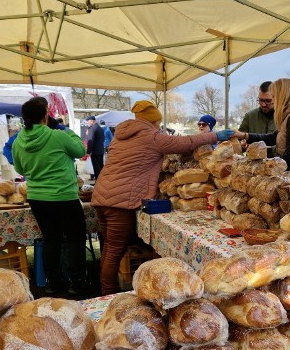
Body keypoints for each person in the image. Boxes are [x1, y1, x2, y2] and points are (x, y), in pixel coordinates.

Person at [92, 101, 234, 295]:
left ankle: (106, 287)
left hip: (102, 193)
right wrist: (215, 135)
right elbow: (185, 143)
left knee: (109, 246)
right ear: (153, 121)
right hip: (120, 199)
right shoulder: (151, 136)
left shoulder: (121, 135)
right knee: (115, 249)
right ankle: (108, 294)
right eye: (158, 122)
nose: (159, 126)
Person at [12, 98, 88, 296]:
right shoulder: (57, 136)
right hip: (63, 195)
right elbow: (80, 150)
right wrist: (66, 130)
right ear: (46, 115)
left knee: (51, 239)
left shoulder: (18, 140)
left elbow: (20, 169)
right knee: (74, 239)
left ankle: (53, 283)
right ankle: (76, 282)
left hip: (37, 198)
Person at [231, 78, 290, 172]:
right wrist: (244, 135)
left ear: (282, 96)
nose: (273, 101)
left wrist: (262, 166)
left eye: (274, 97)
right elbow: (272, 138)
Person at [86, 115, 105, 180]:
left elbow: (90, 141)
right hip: (101, 150)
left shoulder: (92, 128)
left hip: (95, 151)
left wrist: (88, 151)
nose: (87, 123)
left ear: (91, 121)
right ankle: (102, 181)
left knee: (96, 168)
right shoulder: (100, 128)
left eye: (88, 121)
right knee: (101, 166)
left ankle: (98, 182)